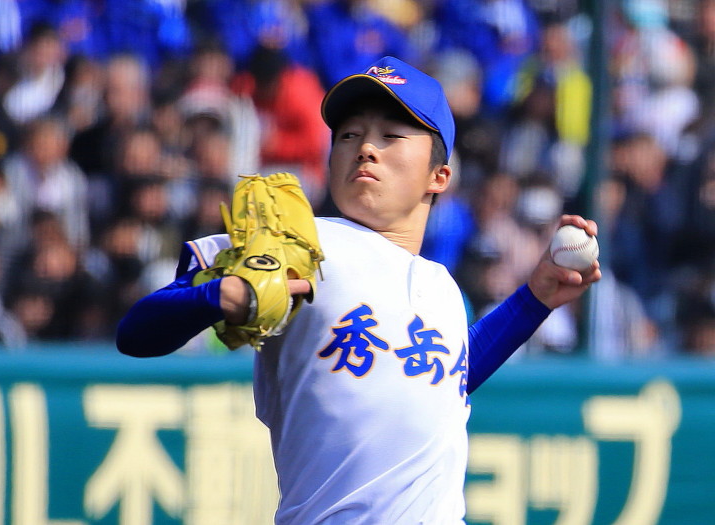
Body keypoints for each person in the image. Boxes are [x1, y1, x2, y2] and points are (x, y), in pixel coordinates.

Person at [117, 56, 601, 524]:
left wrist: (533, 301)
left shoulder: (442, 285)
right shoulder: (301, 242)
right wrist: (216, 296)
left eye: (391, 136)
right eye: (349, 135)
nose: (366, 148)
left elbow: (442, 380)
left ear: (439, 176)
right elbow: (136, 333)